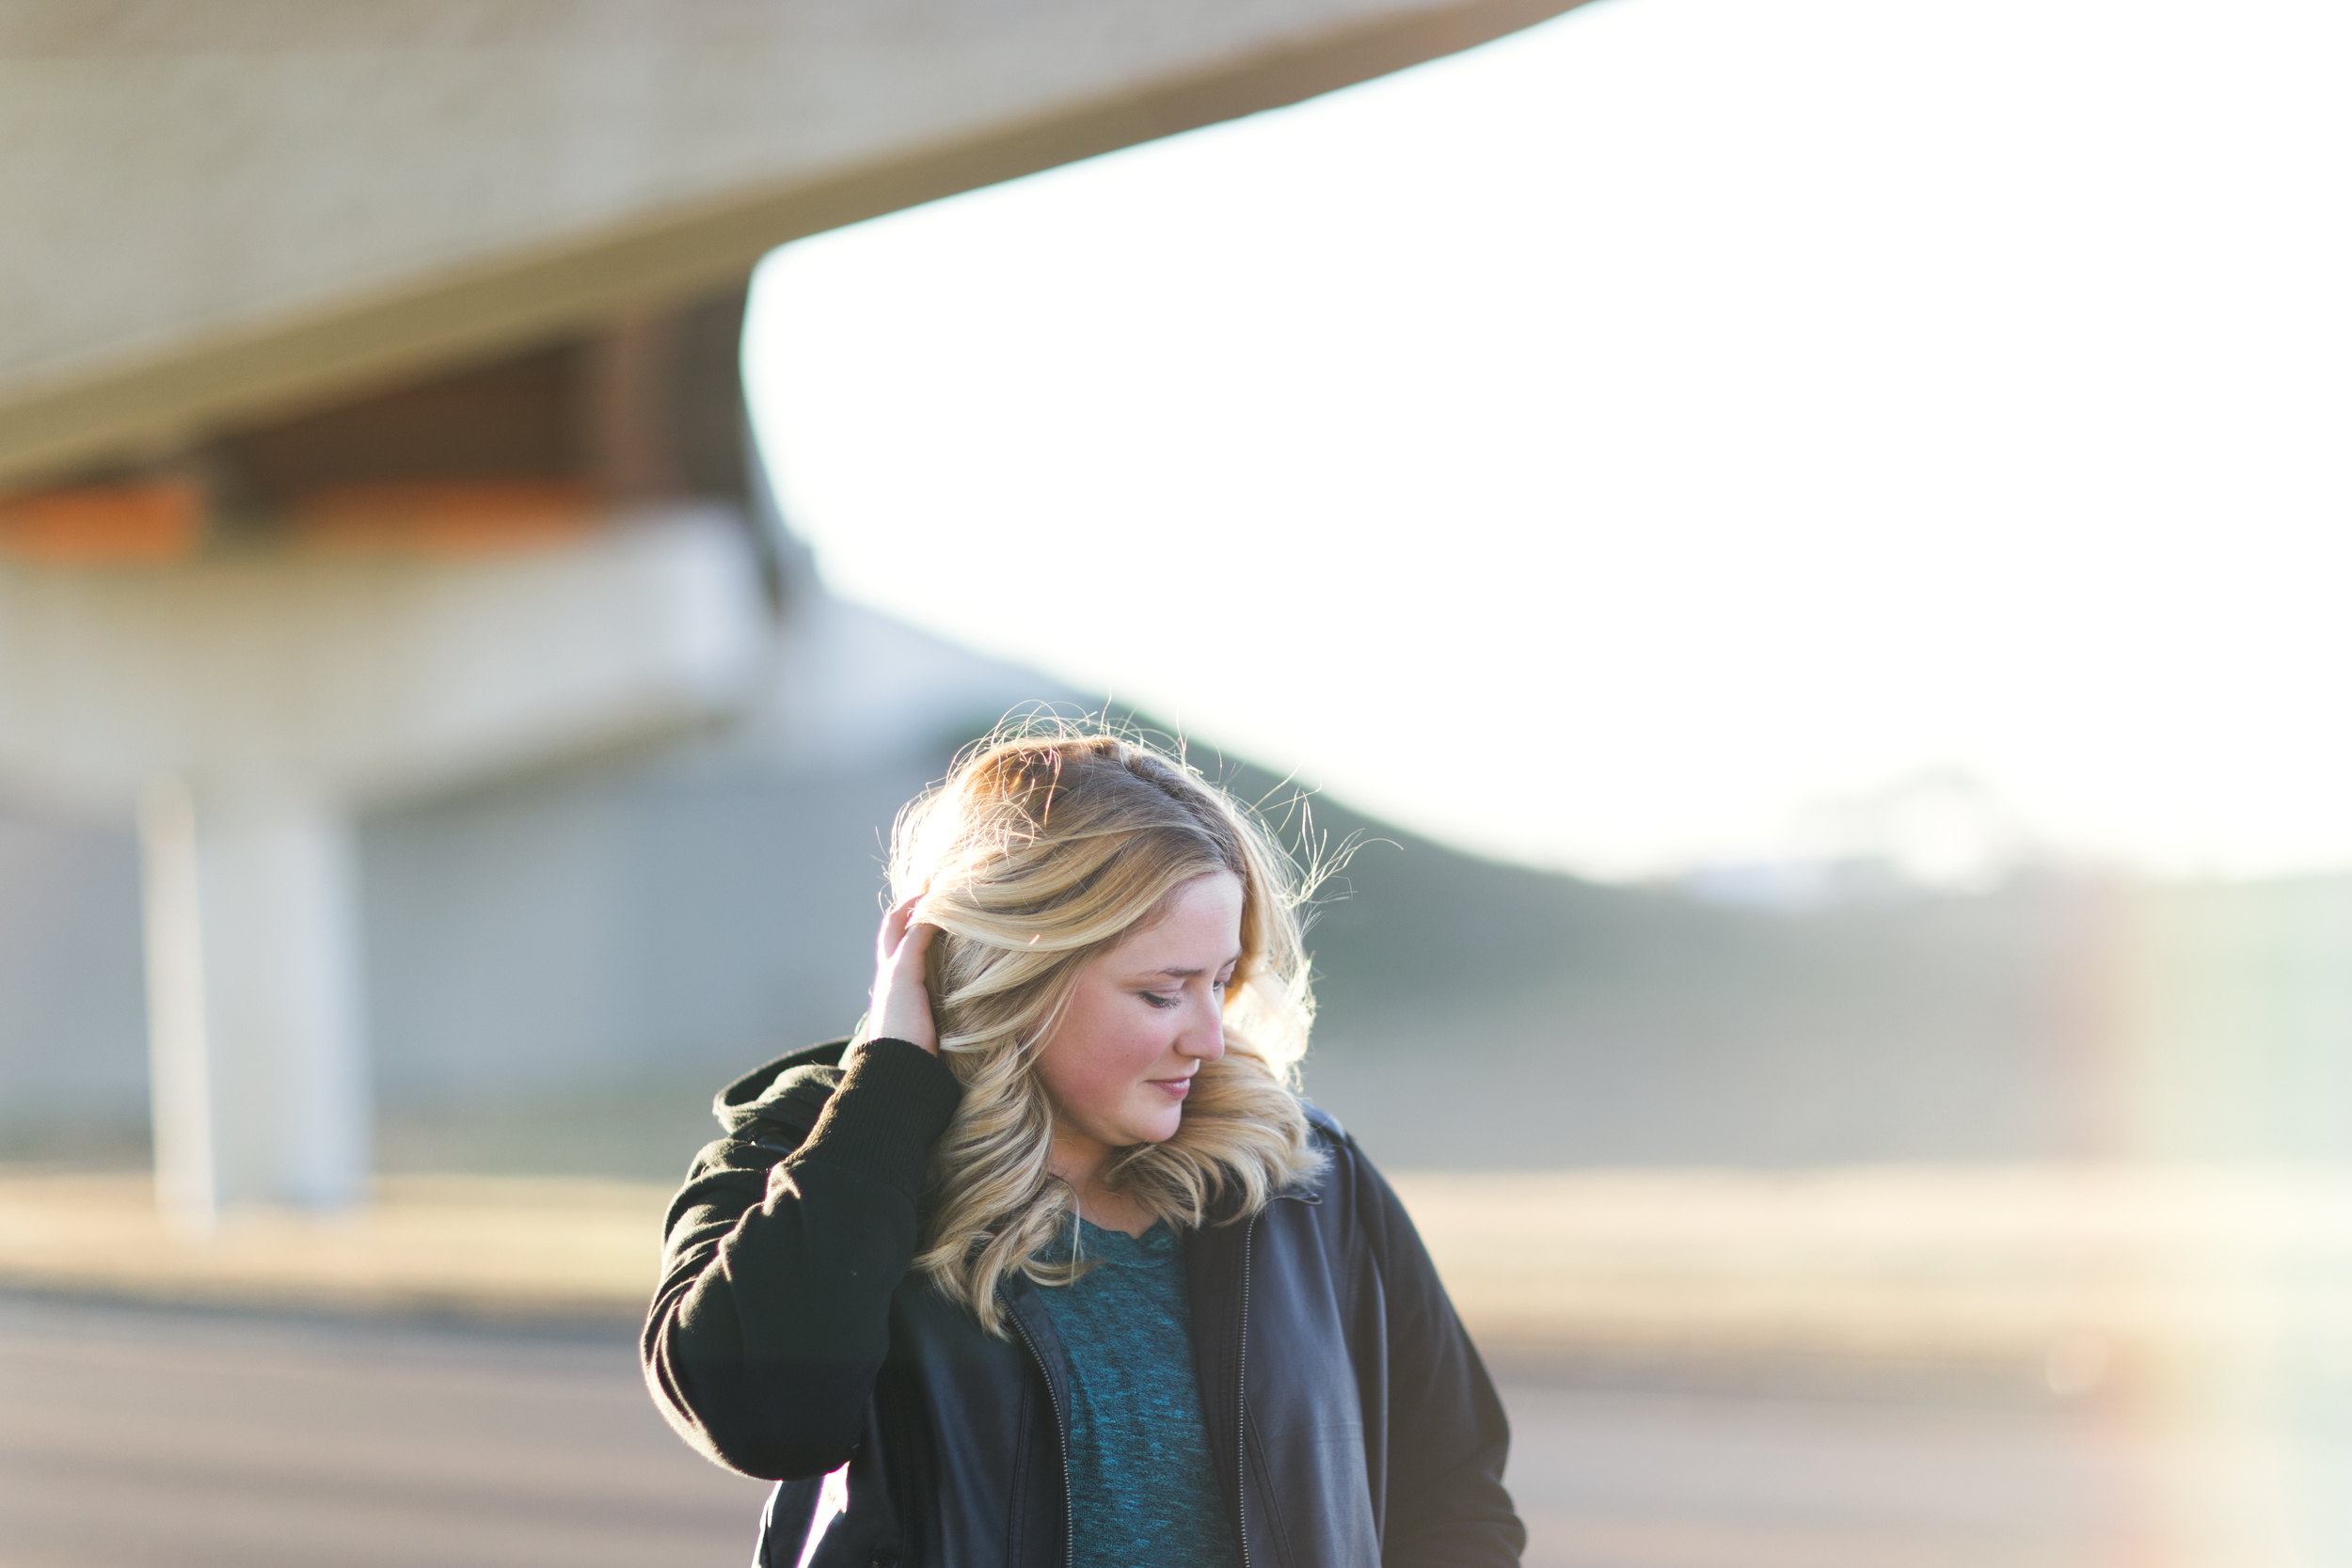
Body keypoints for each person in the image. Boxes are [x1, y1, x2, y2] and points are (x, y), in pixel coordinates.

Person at [642, 727, 1523, 1567]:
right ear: (1020, 974)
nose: (1209, 1037)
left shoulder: (1306, 1177)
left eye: (1220, 981)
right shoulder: (812, 1152)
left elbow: (1456, 1494)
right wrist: (891, 1081)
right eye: (1162, 992)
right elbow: (764, 1418)